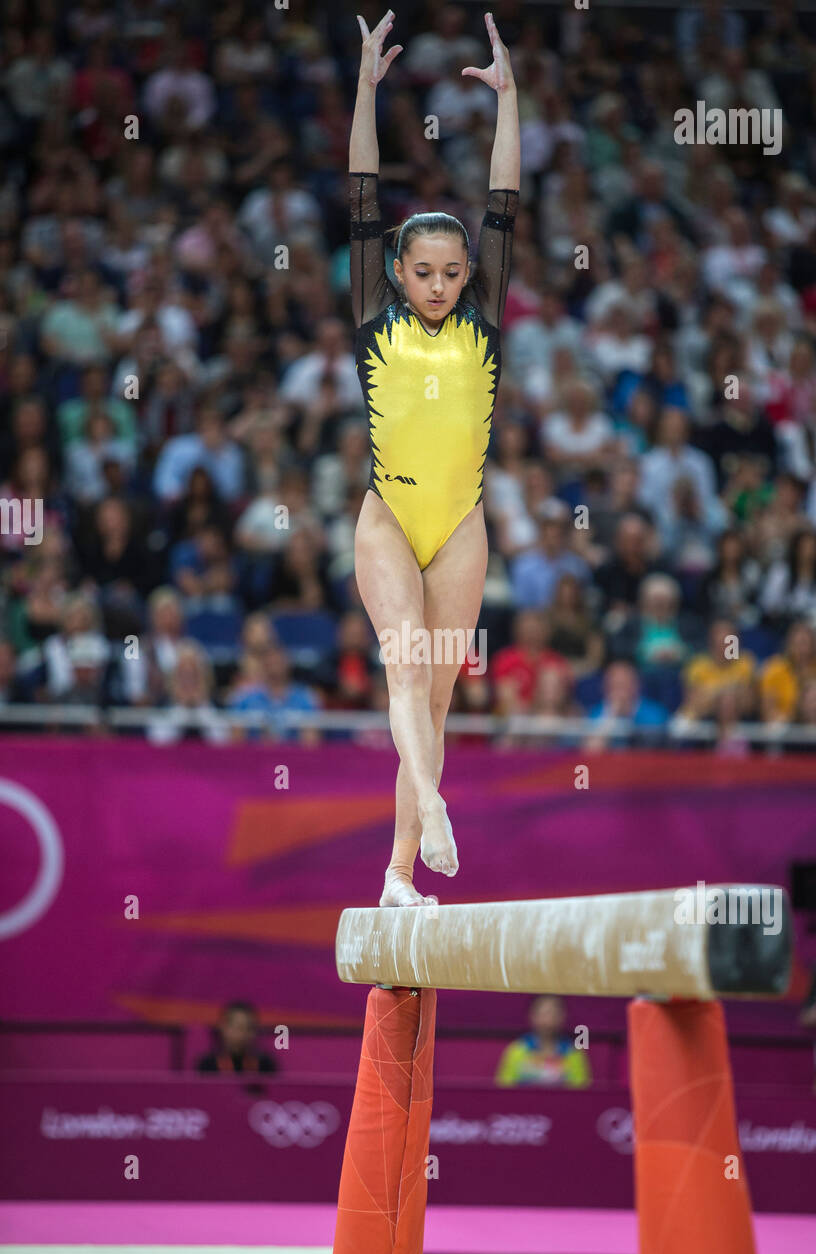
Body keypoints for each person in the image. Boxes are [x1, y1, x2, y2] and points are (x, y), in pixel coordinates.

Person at [349, 10, 519, 907]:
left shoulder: (483, 328)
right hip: (387, 515)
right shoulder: (373, 314)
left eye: (455, 273)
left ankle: (397, 877)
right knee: (404, 667)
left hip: (459, 525)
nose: (443, 286)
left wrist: (510, 100)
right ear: (398, 271)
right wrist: (368, 89)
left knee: (440, 701)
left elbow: (505, 206)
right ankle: (435, 807)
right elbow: (364, 190)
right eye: (426, 273)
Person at [495, 996, 591, 1087]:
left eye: (554, 1014)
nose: (548, 1020)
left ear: (563, 1017)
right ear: (532, 1016)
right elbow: (504, 1088)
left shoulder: (574, 1052)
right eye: (543, 1014)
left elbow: (581, 1091)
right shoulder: (517, 1050)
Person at [196, 1001, 278, 1075]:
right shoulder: (207, 1065)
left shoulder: (265, 1065)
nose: (244, 1034)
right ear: (223, 1027)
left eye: (249, 1028)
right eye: (239, 1028)